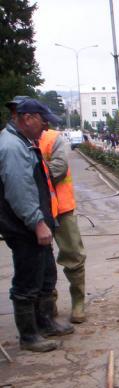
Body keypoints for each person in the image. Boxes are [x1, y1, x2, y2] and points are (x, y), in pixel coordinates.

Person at [0, 98, 75, 352]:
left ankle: (45, 322)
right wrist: (37, 223)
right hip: (23, 227)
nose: (45, 129)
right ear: (28, 118)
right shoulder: (12, 147)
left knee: (45, 274)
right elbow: (19, 191)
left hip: (36, 223)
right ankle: (29, 336)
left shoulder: (24, 142)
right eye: (43, 122)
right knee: (27, 280)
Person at [39, 127, 87, 324]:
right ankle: (48, 303)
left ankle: (78, 303)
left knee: (73, 255)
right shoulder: (15, 141)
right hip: (34, 211)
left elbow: (58, 168)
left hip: (62, 208)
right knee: (41, 260)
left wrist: (30, 170)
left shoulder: (51, 138)